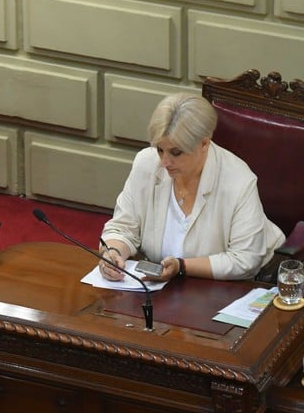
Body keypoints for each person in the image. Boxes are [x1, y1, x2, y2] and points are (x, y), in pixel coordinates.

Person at [99, 92, 284, 282]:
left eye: (176, 152)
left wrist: (181, 267)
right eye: (160, 149)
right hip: (164, 290)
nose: (164, 162)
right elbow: (122, 228)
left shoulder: (238, 180)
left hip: (230, 286)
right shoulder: (146, 164)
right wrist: (112, 252)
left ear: (204, 143)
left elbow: (244, 260)